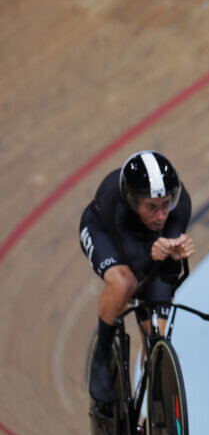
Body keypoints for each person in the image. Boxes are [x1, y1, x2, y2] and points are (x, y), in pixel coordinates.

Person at [79, 151, 194, 417]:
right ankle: (101, 359)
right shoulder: (116, 206)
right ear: (133, 202)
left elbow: (167, 275)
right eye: (151, 207)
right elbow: (137, 268)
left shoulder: (179, 205)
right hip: (105, 234)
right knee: (125, 284)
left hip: (147, 249)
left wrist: (177, 255)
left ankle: (155, 404)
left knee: (158, 333)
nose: (160, 215)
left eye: (165, 204)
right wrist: (156, 255)